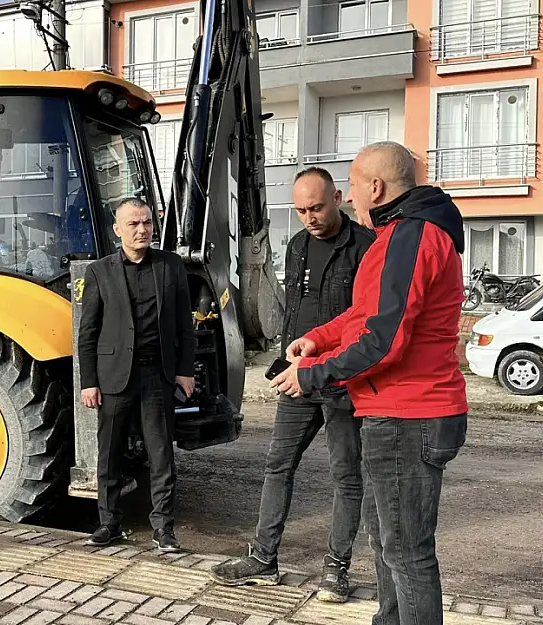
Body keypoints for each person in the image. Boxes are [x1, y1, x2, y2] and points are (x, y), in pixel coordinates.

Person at [269, 141, 469, 625]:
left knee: (407, 553)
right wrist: (317, 339)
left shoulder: (411, 236)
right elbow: (365, 314)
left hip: (410, 414)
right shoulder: (399, 234)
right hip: (397, 411)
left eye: (354, 186)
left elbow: (384, 340)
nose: (351, 195)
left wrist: (313, 375)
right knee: (388, 542)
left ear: (375, 187)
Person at [210, 167, 375, 603]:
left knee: (347, 478)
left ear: (338, 197)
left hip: (343, 382)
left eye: (317, 207)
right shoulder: (298, 245)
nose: (309, 217)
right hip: (297, 379)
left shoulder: (367, 249)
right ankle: (264, 559)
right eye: (301, 209)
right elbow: (293, 311)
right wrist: (286, 359)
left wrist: (325, 368)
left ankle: (336, 571)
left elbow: (364, 324)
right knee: (277, 466)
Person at [77, 198, 196, 552]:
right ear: (118, 230)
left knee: (161, 455)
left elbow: (184, 327)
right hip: (114, 377)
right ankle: (109, 524)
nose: (141, 229)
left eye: (146, 222)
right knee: (109, 454)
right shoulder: (99, 271)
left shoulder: (171, 266)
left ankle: (164, 529)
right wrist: (89, 381)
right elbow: (88, 332)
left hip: (157, 375)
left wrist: (185, 372)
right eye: (133, 224)